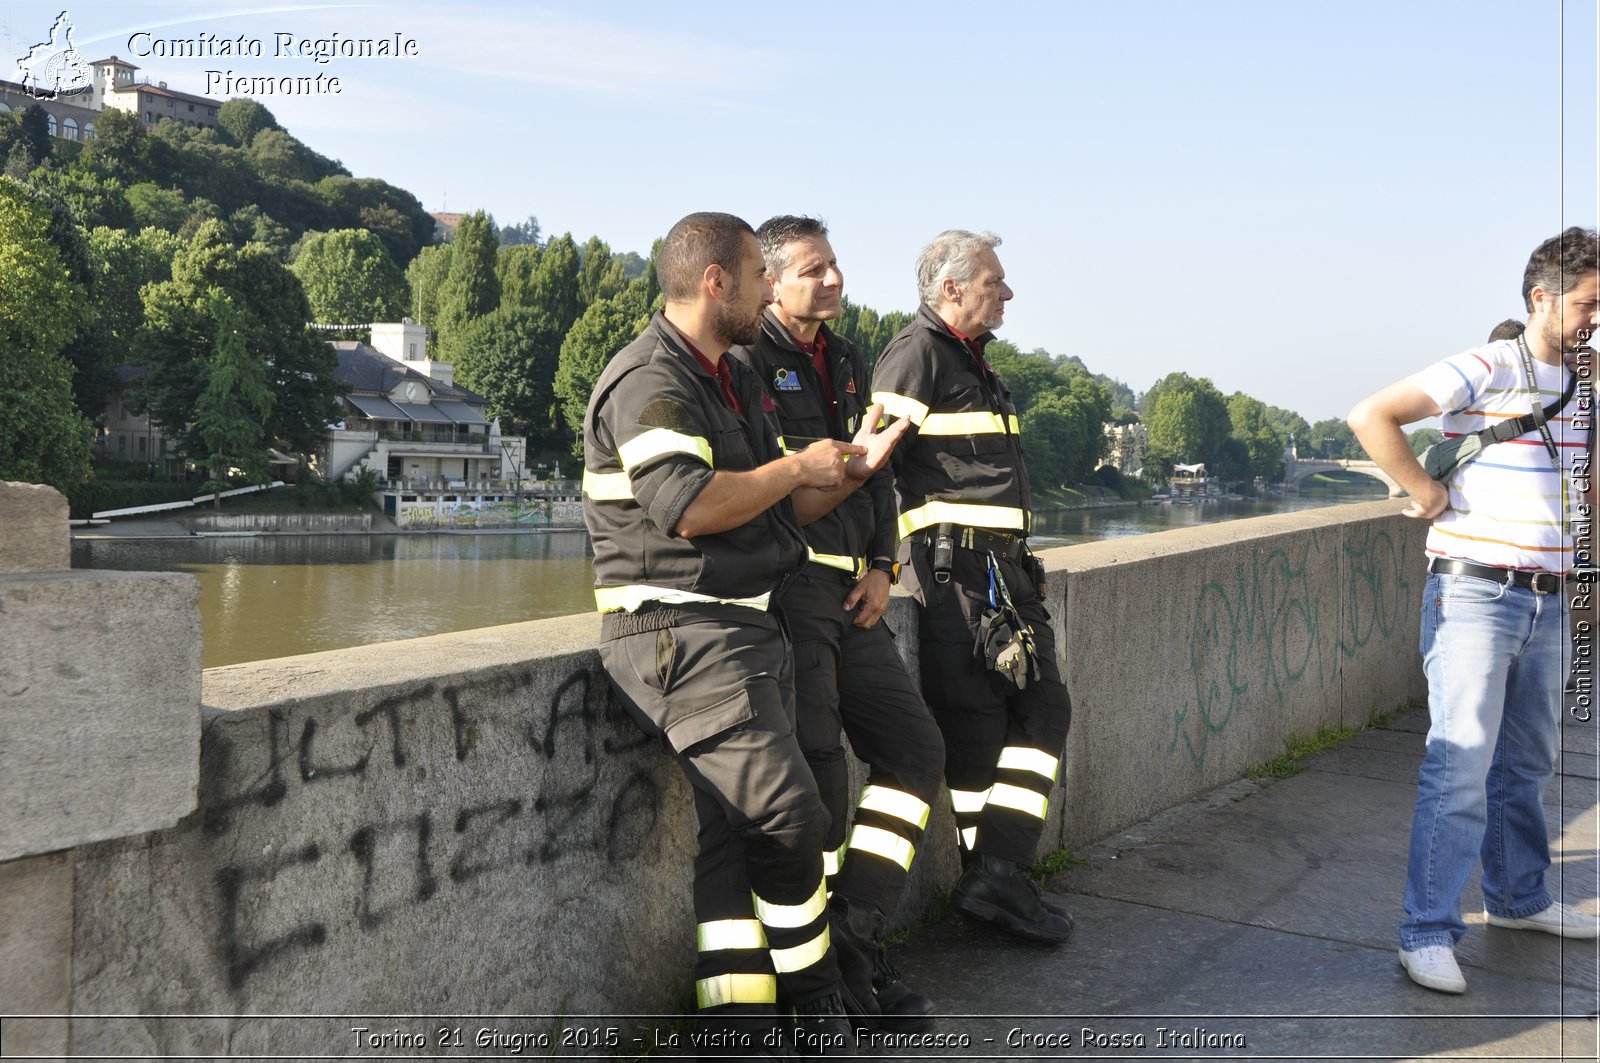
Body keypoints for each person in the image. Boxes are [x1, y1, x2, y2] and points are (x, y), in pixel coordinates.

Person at [581, 211, 903, 1046]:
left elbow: (782, 504)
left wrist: (849, 470)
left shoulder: (724, 375)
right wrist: (795, 463)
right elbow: (686, 506)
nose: (767, 291)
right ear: (717, 281)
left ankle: (735, 1018)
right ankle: (818, 994)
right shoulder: (650, 379)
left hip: (743, 626)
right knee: (794, 813)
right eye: (759, 276)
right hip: (679, 630)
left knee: (737, 823)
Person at [1347, 226, 1600, 995]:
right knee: (1459, 765)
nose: (1595, 319)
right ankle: (1425, 930)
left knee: (1526, 765)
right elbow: (1372, 414)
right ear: (1541, 298)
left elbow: (1586, 485)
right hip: (1477, 594)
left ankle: (1519, 897)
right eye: (1588, 305)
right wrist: (1425, 494)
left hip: (1550, 599)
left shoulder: (1586, 384)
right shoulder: (1487, 365)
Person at [727, 216, 946, 1028]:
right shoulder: (748, 363)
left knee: (916, 750)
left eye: (835, 265)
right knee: (820, 787)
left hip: (856, 592)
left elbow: (876, 472)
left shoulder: (849, 359)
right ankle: (826, 982)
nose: (834, 280)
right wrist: (850, 470)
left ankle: (852, 933)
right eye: (814, 269)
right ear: (773, 281)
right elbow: (778, 488)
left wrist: (887, 565)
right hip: (792, 594)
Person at [868, 230, 1075, 944]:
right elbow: (872, 468)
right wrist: (877, 564)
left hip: (1003, 573)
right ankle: (992, 879)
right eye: (994, 280)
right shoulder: (917, 354)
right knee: (980, 731)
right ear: (951, 288)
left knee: (1043, 710)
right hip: (955, 576)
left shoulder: (974, 363)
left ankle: (997, 872)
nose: (1008, 292)